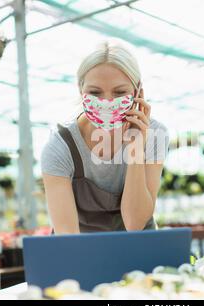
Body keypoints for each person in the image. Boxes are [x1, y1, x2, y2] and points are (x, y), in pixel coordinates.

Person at [40, 40, 169, 234]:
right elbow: (67, 236)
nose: (107, 102)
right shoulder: (60, 146)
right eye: (95, 92)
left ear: (137, 92)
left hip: (138, 248)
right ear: (80, 90)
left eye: (119, 92)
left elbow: (135, 224)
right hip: (82, 251)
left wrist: (135, 147)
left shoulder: (154, 135)